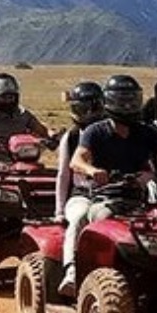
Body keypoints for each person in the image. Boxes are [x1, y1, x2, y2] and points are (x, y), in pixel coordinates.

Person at [58, 74, 157, 297]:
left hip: (136, 198)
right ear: (110, 101)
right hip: (99, 196)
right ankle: (72, 272)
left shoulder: (147, 132)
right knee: (85, 216)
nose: (128, 105)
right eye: (122, 100)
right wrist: (93, 171)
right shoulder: (96, 131)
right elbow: (77, 160)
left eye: (132, 99)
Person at [54, 80, 105, 222]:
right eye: (80, 109)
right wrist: (59, 211)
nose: (87, 114)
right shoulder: (71, 137)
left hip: (109, 194)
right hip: (81, 194)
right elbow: (63, 175)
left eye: (92, 108)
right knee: (80, 217)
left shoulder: (110, 134)